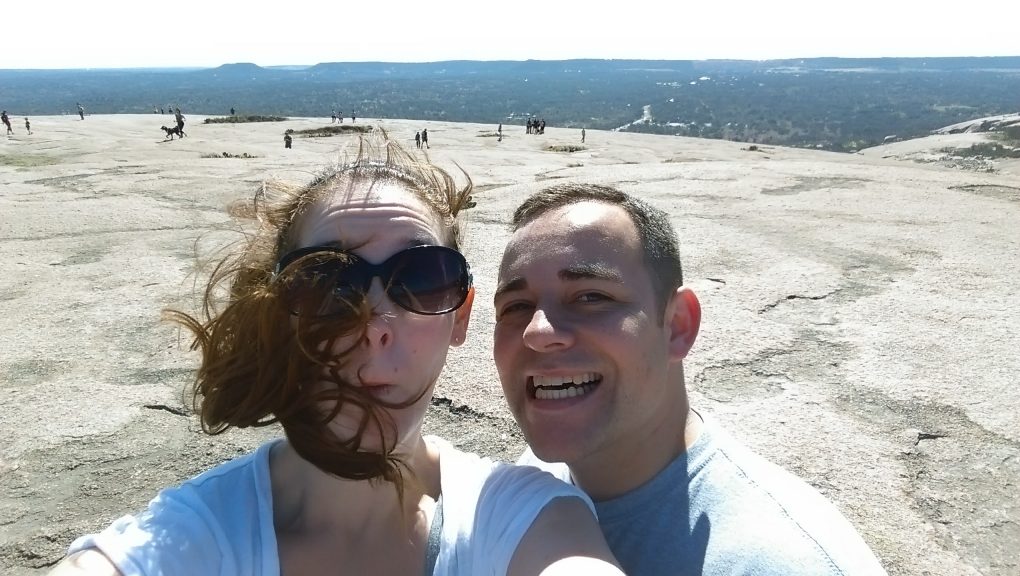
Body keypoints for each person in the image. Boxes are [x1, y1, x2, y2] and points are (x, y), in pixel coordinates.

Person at [48, 132, 623, 576]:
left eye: (422, 279)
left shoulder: (526, 516)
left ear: (461, 316)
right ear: (278, 311)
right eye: (326, 282)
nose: (373, 324)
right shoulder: (194, 534)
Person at [493, 183, 889, 576]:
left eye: (590, 297)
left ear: (678, 326)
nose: (538, 332)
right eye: (517, 306)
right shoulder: (538, 483)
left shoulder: (786, 562)